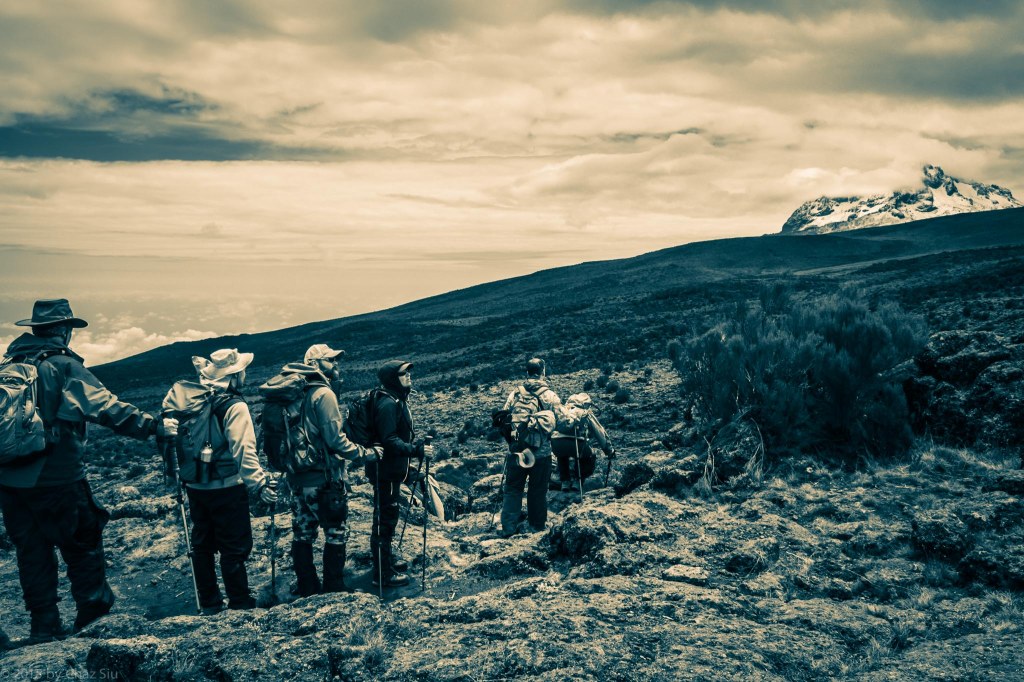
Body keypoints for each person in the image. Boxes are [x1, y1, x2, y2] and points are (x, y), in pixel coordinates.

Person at [0, 299, 171, 643]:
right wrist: (152, 426)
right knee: (83, 544)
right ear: (64, 330)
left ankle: (44, 626)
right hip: (57, 477)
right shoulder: (62, 366)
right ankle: (94, 621)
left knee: (32, 553)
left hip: (10, 481)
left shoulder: (11, 365)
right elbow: (106, 407)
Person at [164, 348, 277, 614]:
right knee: (234, 547)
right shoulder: (234, 406)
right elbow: (243, 449)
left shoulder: (195, 400)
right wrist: (258, 484)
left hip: (195, 486)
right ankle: (239, 603)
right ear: (234, 375)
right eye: (242, 371)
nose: (244, 375)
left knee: (202, 545)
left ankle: (210, 603)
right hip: (227, 487)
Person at [276, 344, 380, 596]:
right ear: (314, 364)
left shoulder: (294, 394)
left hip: (296, 477)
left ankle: (307, 586)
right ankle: (334, 587)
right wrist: (367, 454)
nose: (336, 364)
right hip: (323, 478)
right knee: (335, 531)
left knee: (303, 532)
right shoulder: (323, 394)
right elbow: (336, 441)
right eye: (330, 360)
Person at [369, 360, 434, 588]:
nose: (408, 376)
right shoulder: (388, 404)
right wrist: (416, 450)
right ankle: (383, 574)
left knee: (387, 519)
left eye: (408, 372)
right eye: (403, 373)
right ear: (392, 379)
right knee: (385, 522)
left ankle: (385, 562)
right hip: (385, 471)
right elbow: (389, 440)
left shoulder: (394, 399)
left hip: (390, 470)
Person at [500, 358, 562, 537]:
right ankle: (536, 527)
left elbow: (505, 418)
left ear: (527, 373)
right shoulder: (550, 396)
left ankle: (508, 528)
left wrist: (512, 442)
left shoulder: (515, 394)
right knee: (538, 490)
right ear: (543, 372)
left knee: (513, 489)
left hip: (517, 451)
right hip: (541, 453)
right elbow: (562, 421)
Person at [551, 393, 615, 495]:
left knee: (562, 455)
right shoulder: (586, 412)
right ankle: (577, 481)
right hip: (577, 442)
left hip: (556, 441)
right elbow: (599, 432)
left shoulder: (563, 410)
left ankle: (565, 482)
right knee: (587, 455)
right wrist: (609, 450)